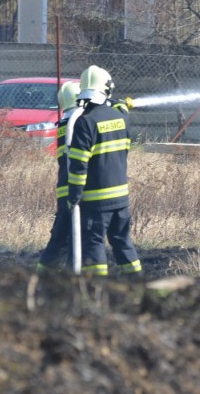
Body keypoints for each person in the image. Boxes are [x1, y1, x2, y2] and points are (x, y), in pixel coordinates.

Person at [67, 65, 143, 278]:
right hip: (121, 198)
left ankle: (96, 286)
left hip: (95, 200)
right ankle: (137, 282)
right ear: (107, 89)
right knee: (123, 242)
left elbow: (78, 165)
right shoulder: (121, 118)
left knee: (94, 242)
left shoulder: (84, 122)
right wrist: (120, 107)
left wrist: (74, 194)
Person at [36, 81, 81, 274]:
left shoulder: (65, 122)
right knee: (67, 236)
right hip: (72, 188)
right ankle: (64, 272)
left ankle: (46, 272)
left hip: (64, 188)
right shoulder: (78, 123)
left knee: (63, 235)